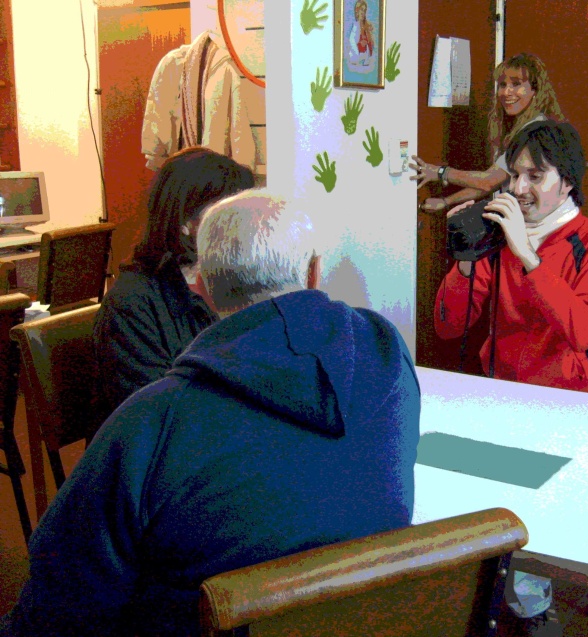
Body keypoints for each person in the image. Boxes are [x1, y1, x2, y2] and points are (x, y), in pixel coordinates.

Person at [0, 190, 421, 637]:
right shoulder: (388, 355)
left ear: (200, 286)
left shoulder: (151, 423)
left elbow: (55, 609)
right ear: (315, 273)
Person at [434, 119, 588, 394]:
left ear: (567, 181)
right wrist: (466, 257)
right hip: (503, 389)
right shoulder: (499, 235)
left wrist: (526, 254)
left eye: (535, 177)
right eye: (515, 175)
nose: (519, 188)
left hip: (569, 394)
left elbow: (582, 333)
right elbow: (448, 327)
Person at [93, 146, 254, 417]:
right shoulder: (131, 305)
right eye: (228, 216)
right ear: (185, 221)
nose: (242, 227)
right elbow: (155, 412)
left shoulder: (232, 281)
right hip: (167, 436)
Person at [410, 52, 565, 213]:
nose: (507, 92)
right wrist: (446, 201)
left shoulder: (534, 131)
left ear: (535, 90)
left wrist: (440, 172)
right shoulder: (525, 126)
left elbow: (488, 181)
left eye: (516, 84)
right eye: (503, 85)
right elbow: (493, 181)